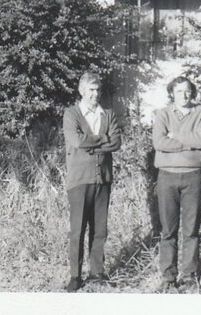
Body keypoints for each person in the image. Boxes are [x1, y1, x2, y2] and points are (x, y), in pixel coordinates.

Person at [62, 71, 122, 292]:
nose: (95, 94)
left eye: (97, 90)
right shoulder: (72, 114)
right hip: (79, 180)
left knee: (100, 229)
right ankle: (75, 276)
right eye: (91, 90)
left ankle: (96, 272)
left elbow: (116, 142)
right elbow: (76, 142)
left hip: (103, 179)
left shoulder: (107, 114)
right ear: (82, 91)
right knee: (78, 228)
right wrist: (102, 139)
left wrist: (93, 143)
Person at [151, 76, 201, 292]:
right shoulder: (163, 114)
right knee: (168, 230)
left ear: (191, 92)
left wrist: (175, 136)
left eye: (187, 91)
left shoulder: (200, 112)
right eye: (178, 92)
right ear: (172, 93)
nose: (183, 96)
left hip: (193, 176)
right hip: (167, 177)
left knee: (191, 229)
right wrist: (188, 143)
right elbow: (159, 142)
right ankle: (168, 278)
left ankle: (190, 277)